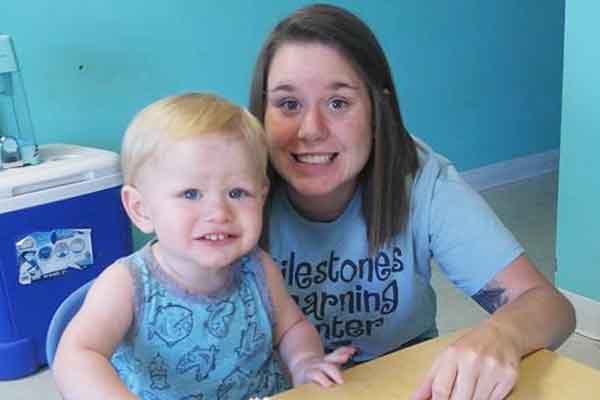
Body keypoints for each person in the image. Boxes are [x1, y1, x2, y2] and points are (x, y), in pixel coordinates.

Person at [248, 4, 576, 400]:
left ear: (378, 108)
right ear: (262, 112)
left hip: (404, 385)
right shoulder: (232, 186)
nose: (311, 130)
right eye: (288, 104)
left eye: (338, 103)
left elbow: (552, 308)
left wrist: (502, 335)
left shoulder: (420, 181)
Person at [52, 93, 355, 400]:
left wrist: (304, 363)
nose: (219, 213)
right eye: (191, 194)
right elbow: (77, 354)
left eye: (237, 193)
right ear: (142, 209)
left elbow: (293, 328)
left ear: (261, 196)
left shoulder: (258, 269)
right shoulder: (127, 284)